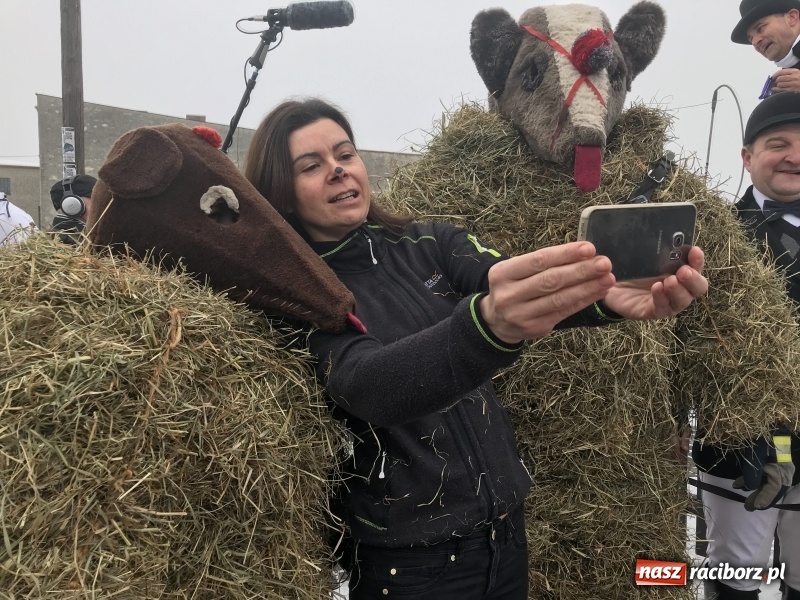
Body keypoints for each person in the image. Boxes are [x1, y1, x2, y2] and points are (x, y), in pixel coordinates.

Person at [244, 97, 708, 600]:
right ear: (282, 195)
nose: (338, 170)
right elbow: (365, 384)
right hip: (409, 561)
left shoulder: (428, 242)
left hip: (504, 529)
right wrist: (486, 323)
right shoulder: (299, 291)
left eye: (345, 154)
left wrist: (606, 298)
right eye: (311, 166)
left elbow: (511, 289)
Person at [692, 91, 800, 600]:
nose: (794, 156)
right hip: (739, 443)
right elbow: (677, 338)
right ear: (747, 157)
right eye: (778, 144)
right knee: (736, 569)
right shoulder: (711, 235)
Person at [732, 0, 800, 96]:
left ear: (792, 17)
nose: (755, 42)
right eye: (751, 39)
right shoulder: (781, 86)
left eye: (760, 28)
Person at [49, 174, 96, 245]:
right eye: (96, 200)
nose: (101, 206)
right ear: (72, 204)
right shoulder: (65, 242)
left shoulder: (86, 238)